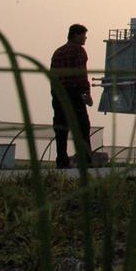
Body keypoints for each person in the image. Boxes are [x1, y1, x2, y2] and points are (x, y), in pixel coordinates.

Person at [50, 23, 93, 169]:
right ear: (75, 35)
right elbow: (81, 74)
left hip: (58, 94)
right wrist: (86, 94)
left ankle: (61, 160)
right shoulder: (79, 51)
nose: (85, 38)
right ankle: (85, 160)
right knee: (82, 127)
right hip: (74, 93)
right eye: (83, 35)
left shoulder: (58, 52)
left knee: (61, 128)